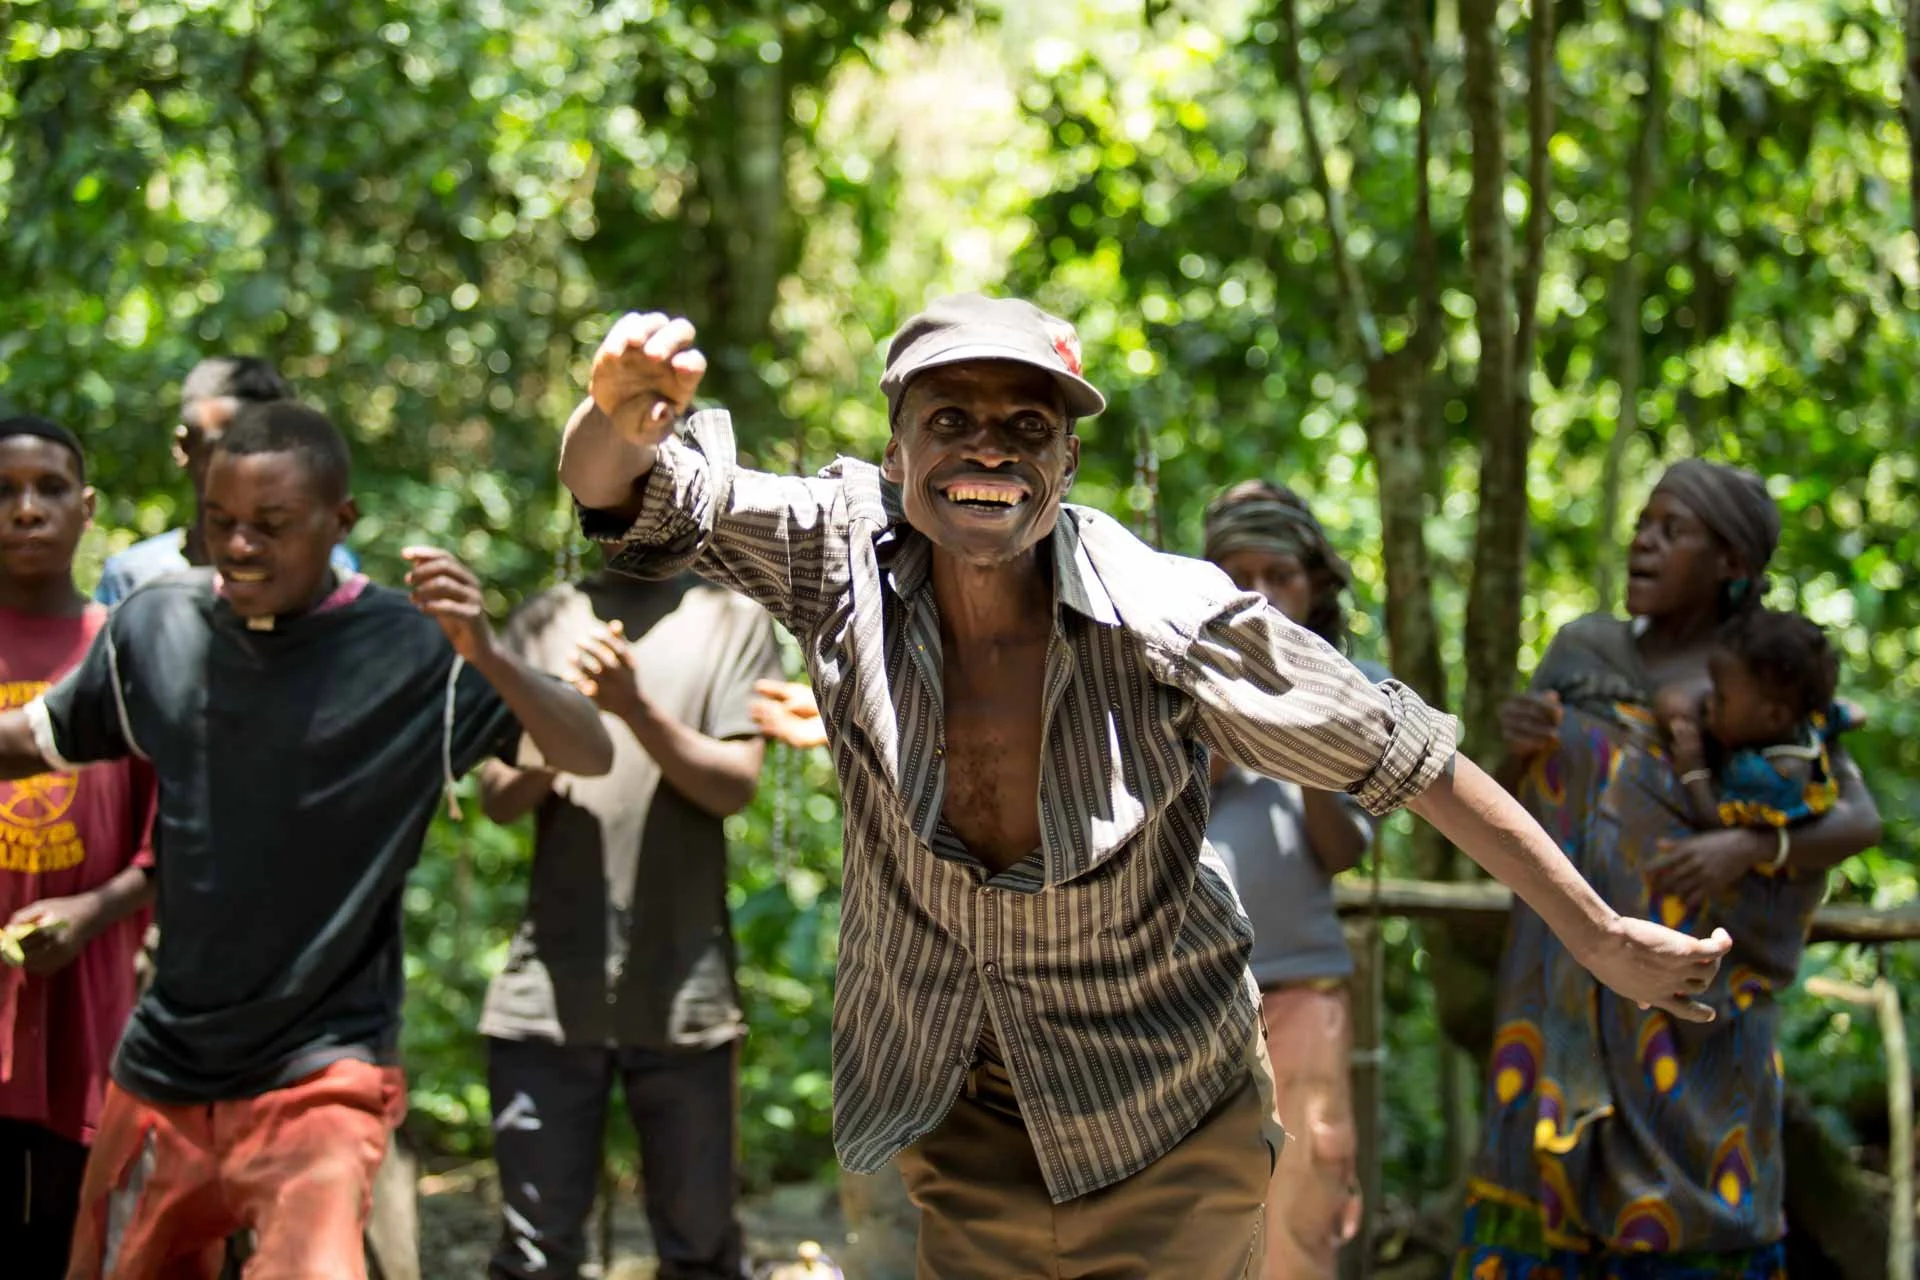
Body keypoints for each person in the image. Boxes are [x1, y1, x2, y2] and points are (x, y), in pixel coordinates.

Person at [558, 296, 1728, 1278]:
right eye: (950, 419)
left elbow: (1409, 755)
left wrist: (1599, 933)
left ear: (1067, 461)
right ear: (896, 448)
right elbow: (637, 493)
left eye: (1026, 427)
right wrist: (610, 418)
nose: (988, 451)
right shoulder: (835, 552)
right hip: (960, 1105)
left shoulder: (1169, 615)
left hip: (1164, 1108)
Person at [0, 400, 613, 1278]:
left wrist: (487, 653)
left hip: (323, 1075)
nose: (240, 547)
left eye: (271, 526)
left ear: (341, 522)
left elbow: (586, 748)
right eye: (221, 523)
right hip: (164, 1069)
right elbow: (33, 741)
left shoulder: (414, 651)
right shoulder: (157, 627)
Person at [1461, 459, 1884, 1279]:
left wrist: (1752, 847)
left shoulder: (1763, 673)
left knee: (1700, 1219)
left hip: (1698, 1010)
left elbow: (1855, 815)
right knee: (1541, 1210)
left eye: (1671, 530)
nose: (1643, 545)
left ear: (1732, 563)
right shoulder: (1581, 652)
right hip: (1558, 991)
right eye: (1641, 526)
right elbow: (1504, 811)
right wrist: (1513, 753)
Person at [476, 567, 781, 1280]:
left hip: (684, 994)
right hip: (547, 994)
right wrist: (568, 715)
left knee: (702, 1248)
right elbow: (496, 797)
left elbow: (732, 784)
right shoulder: (545, 620)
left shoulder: (730, 617)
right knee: (533, 1254)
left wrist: (633, 706)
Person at [1200, 479, 1378, 1280]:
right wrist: (1220, 730)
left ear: (1315, 585)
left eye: (1280, 575)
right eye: (1239, 574)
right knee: (1184, 1208)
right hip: (1180, 993)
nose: (1260, 595)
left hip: (1301, 995)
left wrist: (1307, 736)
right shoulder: (1166, 676)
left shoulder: (1354, 686)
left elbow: (1341, 849)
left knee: (1300, 1205)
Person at [0, 417, 156, 1278]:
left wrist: (93, 910)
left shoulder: (125, 650)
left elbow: (166, 840)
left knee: (68, 1234)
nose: (26, 510)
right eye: (5, 492)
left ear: (86, 507)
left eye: (50, 489)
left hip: (82, 997)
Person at [94, 356, 357, 605]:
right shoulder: (135, 577)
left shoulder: (330, 567)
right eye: (225, 447)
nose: (246, 469)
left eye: (267, 448)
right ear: (185, 448)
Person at [1655, 609, 1858, 839]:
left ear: (1774, 718)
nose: (1709, 703)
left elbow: (1719, 827)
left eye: (1721, 699)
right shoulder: (1807, 720)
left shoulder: (1769, 777)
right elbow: (1845, 714)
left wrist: (1693, 770)